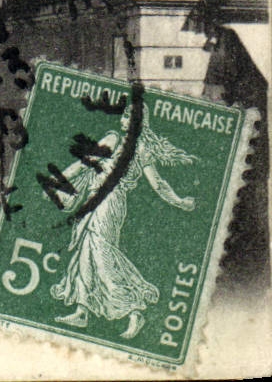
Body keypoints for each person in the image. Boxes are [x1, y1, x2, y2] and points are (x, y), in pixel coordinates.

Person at [50, 108, 197, 339]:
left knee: (100, 254)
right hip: (94, 197)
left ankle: (134, 311)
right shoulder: (112, 139)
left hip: (110, 202)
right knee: (86, 253)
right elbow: (83, 164)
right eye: (125, 116)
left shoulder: (141, 149)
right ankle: (82, 310)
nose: (125, 120)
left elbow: (157, 183)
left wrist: (179, 201)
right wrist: (58, 181)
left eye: (131, 117)